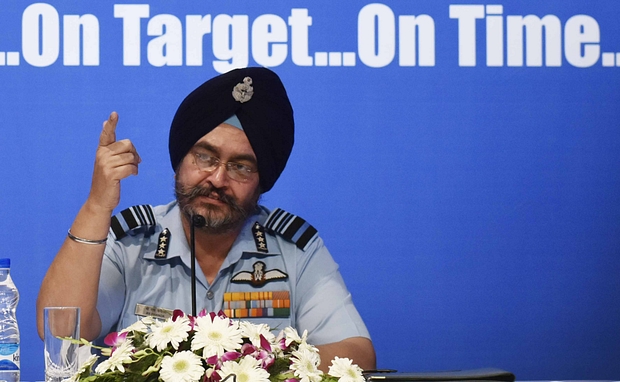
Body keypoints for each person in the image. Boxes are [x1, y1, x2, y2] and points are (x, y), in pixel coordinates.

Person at [36, 67, 376, 371]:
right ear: (180, 158)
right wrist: (97, 206)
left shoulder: (294, 250)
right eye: (205, 156)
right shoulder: (131, 241)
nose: (217, 179)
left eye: (241, 167)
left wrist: (245, 365)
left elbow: (356, 354)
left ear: (262, 181)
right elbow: (61, 333)